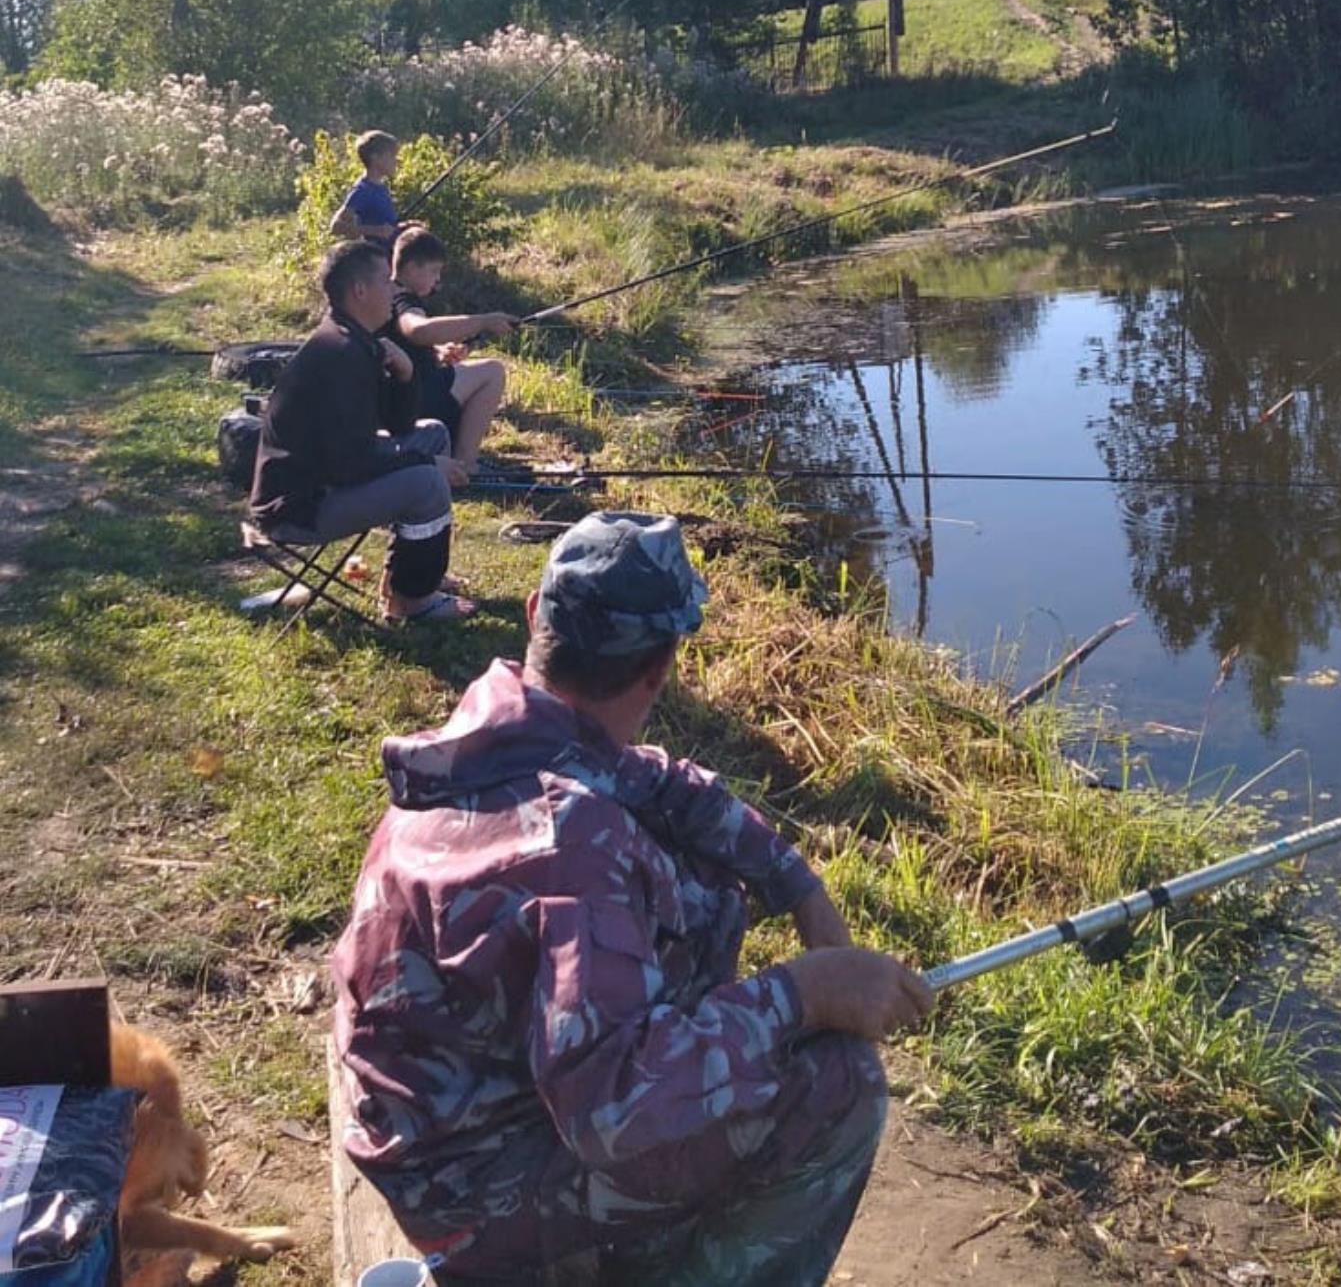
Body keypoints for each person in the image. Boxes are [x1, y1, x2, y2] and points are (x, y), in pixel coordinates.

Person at [332, 513, 932, 1285]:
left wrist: (798, 886)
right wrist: (802, 996)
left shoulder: (496, 732)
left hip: (430, 1118)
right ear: (660, 670)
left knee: (699, 883)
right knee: (842, 1087)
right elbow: (614, 1111)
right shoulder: (570, 848)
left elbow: (663, 781)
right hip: (473, 1199)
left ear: (534, 620)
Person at [249, 241, 473, 625]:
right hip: (300, 507)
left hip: (326, 480)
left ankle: (405, 577)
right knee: (425, 481)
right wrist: (426, 463)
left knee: (432, 433)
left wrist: (405, 375)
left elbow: (399, 427)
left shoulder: (357, 341)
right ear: (360, 290)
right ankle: (411, 602)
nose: (394, 291)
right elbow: (349, 463)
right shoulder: (340, 354)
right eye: (387, 282)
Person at [387, 225, 515, 472]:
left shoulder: (382, 293)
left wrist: (435, 352)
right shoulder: (404, 300)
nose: (437, 280)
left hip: (401, 398)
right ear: (412, 267)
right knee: (493, 371)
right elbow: (417, 330)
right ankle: (464, 464)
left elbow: (402, 340)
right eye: (434, 271)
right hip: (416, 399)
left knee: (473, 370)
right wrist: (484, 321)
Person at [329, 130, 401, 250]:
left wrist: (404, 226)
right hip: (376, 259)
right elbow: (336, 226)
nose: (395, 161)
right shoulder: (363, 190)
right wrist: (375, 231)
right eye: (391, 156)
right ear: (375, 158)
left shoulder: (382, 188)